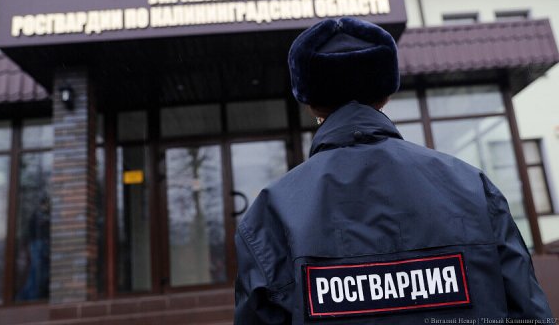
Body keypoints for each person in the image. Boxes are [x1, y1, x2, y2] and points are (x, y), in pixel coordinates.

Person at [234, 17, 552, 324]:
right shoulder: (473, 187)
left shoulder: (271, 212)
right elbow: (529, 311)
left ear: (311, 105)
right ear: (386, 96)